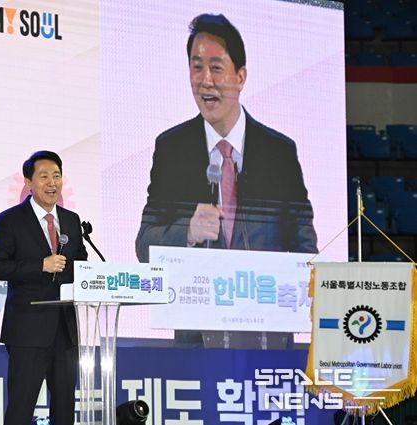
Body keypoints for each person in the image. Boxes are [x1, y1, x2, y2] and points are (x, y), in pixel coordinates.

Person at [135, 13, 318, 263]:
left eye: (216, 68)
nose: (205, 81)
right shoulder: (172, 149)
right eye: (197, 67)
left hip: (261, 287)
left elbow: (306, 251)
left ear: (240, 77)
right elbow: (144, 245)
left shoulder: (279, 153)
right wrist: (188, 231)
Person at [0, 150, 88, 425]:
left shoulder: (72, 221)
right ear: (28, 182)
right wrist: (40, 265)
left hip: (65, 331)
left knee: (64, 410)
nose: (51, 183)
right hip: (27, 331)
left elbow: (81, 265)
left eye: (56, 176)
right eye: (44, 176)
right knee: (21, 410)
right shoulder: (10, 220)